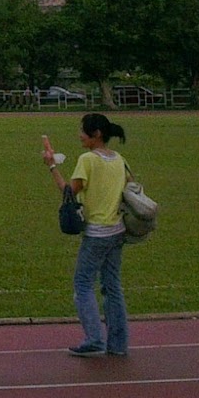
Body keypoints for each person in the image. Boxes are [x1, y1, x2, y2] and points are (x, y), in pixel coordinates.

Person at [43, 113, 131, 357]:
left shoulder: (88, 159)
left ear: (96, 134)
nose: (80, 135)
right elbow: (129, 186)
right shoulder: (119, 159)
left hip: (97, 233)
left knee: (83, 284)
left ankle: (94, 339)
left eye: (83, 131)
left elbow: (68, 193)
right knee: (112, 286)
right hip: (117, 230)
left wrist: (52, 166)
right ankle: (118, 344)